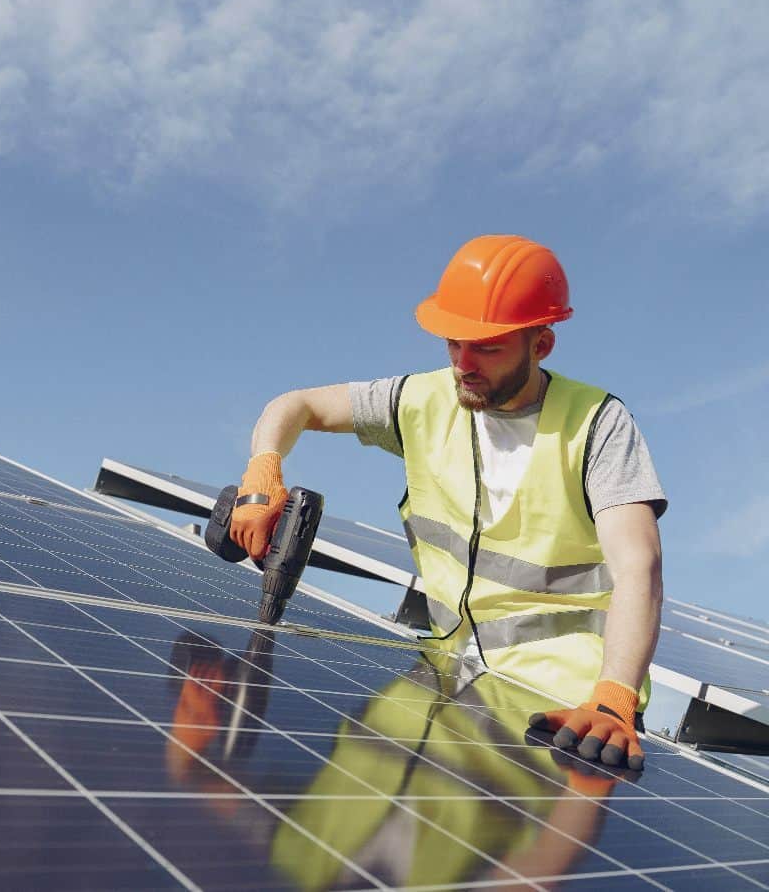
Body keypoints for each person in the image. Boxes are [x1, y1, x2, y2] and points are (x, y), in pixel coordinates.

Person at [229, 234, 666, 770]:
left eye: (487, 347)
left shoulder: (597, 423)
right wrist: (263, 469)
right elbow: (295, 404)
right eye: (453, 343)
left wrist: (614, 696)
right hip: (453, 675)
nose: (463, 363)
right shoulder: (423, 399)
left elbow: (638, 566)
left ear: (541, 345)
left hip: (569, 709)